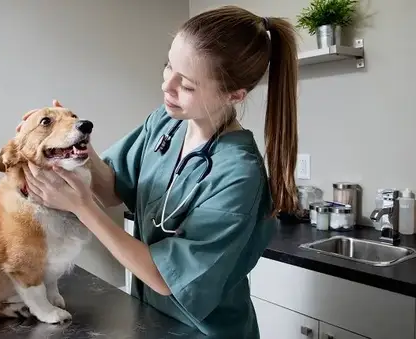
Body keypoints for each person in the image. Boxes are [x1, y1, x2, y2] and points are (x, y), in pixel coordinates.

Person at [19, 5, 299, 338]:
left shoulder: (239, 176)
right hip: (151, 320)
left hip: (202, 331)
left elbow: (165, 278)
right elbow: (111, 189)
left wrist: (81, 207)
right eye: (168, 65)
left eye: (189, 85)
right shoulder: (168, 123)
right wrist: (76, 140)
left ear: (234, 95)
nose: (168, 85)